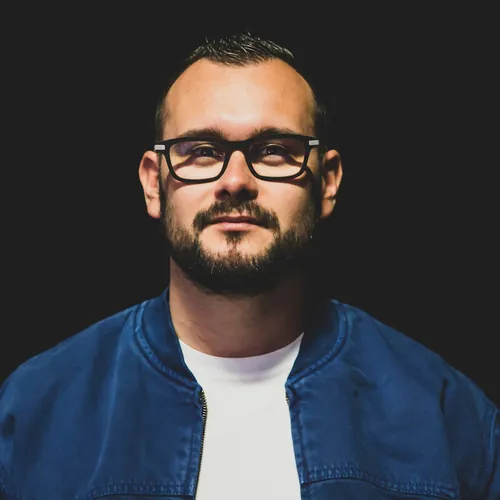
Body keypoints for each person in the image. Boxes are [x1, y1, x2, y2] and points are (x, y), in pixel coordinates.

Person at [0, 31, 498, 500]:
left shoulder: (446, 415)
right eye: (201, 151)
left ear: (327, 182)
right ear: (153, 183)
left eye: (274, 151)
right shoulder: (33, 408)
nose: (235, 181)